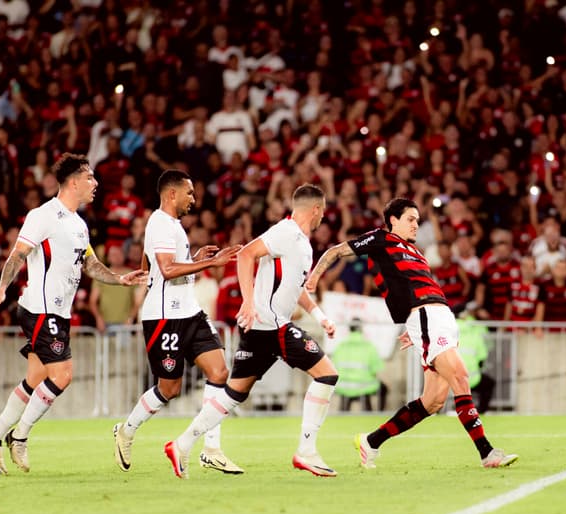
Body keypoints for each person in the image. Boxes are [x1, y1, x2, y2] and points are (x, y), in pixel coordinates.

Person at [305, 198, 518, 469]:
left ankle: (371, 442)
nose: (416, 224)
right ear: (393, 220)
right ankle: (487, 453)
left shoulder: (416, 251)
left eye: (418, 219)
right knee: (461, 377)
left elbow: (406, 285)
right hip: (427, 317)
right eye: (410, 219)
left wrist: (413, 326)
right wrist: (314, 277)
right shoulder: (382, 239)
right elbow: (335, 251)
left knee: (433, 402)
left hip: (438, 318)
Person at [0, 153, 146, 475]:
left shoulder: (80, 226)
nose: (95, 184)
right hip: (41, 310)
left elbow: (91, 264)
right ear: (73, 182)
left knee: (35, 378)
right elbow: (17, 256)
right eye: (90, 178)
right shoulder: (43, 215)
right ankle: (19, 436)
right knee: (63, 376)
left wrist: (120, 279)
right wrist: (1, 290)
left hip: (58, 312)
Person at [164, 184, 340, 479]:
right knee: (327, 374)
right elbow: (246, 255)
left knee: (233, 394)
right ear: (317, 210)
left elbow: (296, 291)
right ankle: (307, 452)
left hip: (263, 329)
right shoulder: (285, 232)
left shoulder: (303, 245)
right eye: (323, 211)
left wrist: (321, 316)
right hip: (272, 325)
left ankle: (181, 444)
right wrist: (248, 301)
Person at [112, 170, 243, 475]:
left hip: (190, 311)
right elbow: (167, 270)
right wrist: (211, 262)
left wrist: (195, 256)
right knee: (169, 388)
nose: (193, 200)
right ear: (172, 194)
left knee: (219, 371)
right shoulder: (159, 222)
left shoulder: (173, 226)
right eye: (190, 193)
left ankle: (212, 449)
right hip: (164, 317)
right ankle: (126, 431)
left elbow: (158, 267)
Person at [332, 318, 385, 411]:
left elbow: (333, 368)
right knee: (383, 388)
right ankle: (379, 414)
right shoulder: (369, 346)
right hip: (365, 386)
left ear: (349, 328)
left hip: (343, 386)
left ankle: (342, 415)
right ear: (361, 328)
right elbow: (375, 370)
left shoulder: (340, 346)